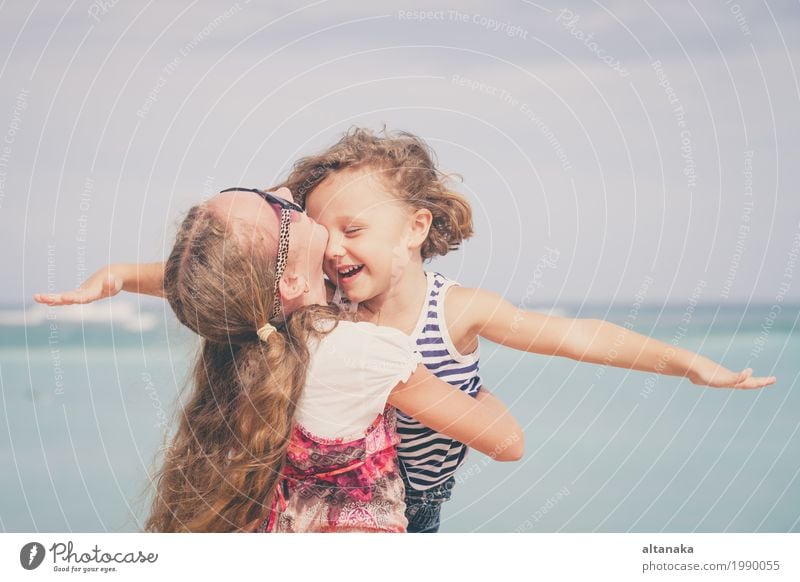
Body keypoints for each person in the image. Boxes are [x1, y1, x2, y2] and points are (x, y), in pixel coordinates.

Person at [35, 128, 776, 533]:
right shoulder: (332, 314)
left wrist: (687, 364)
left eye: (354, 228)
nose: (337, 247)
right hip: (337, 506)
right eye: (325, 233)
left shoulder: (457, 311)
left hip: (413, 509)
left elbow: (579, 336)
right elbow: (244, 282)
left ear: (417, 227)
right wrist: (128, 275)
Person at [141, 187, 523, 532]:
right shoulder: (366, 352)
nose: (286, 190)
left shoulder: (241, 345)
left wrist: (120, 278)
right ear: (290, 281)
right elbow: (508, 444)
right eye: (275, 203)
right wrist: (472, 386)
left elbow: (211, 281)